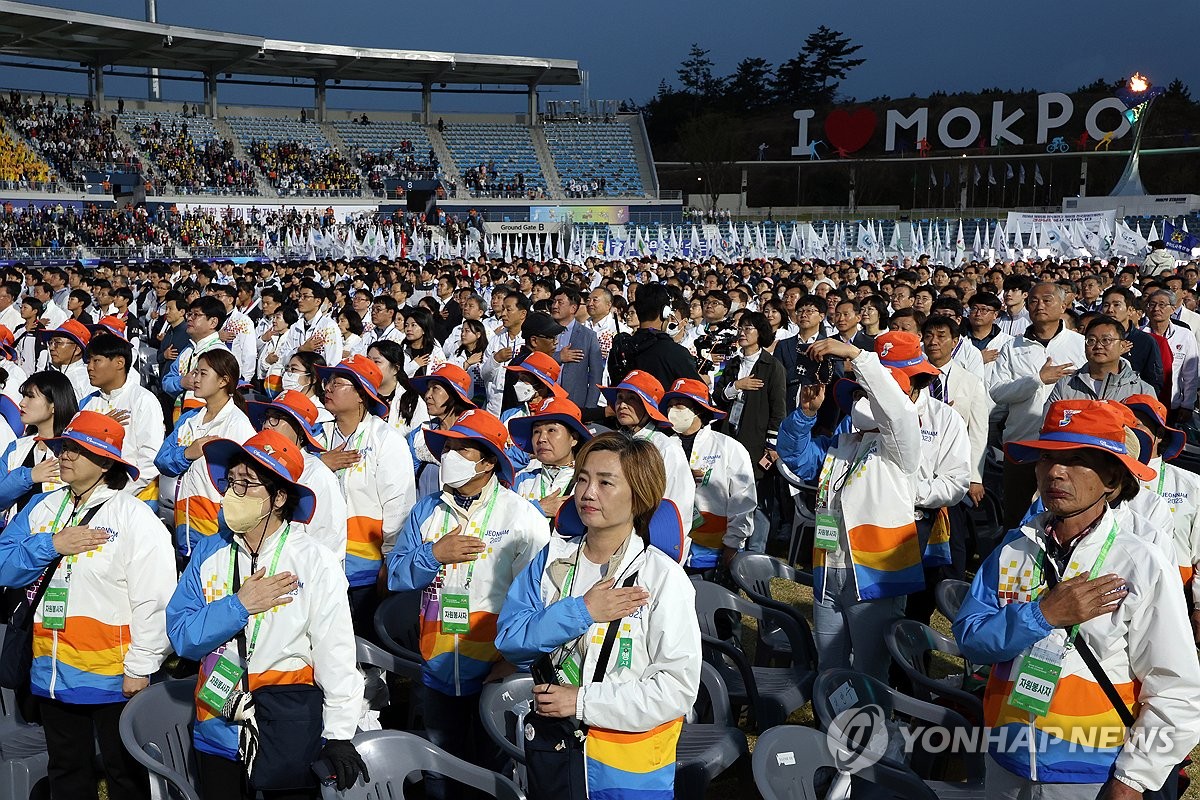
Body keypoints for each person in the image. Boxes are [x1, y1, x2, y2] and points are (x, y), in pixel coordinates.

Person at [953, 400, 1200, 800]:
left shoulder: (1141, 562)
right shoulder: (1014, 548)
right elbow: (969, 638)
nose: (1055, 472)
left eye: (1077, 460)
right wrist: (1041, 615)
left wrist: (1132, 781)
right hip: (1005, 765)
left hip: (1094, 777)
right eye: (1047, 458)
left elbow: (1177, 688)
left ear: (1113, 480)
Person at [495, 432, 701, 800]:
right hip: (554, 751)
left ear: (639, 496)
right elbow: (511, 640)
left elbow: (676, 689)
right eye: (583, 479)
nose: (588, 493)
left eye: (606, 483)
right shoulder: (550, 562)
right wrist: (582, 611)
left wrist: (582, 701)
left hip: (628, 770)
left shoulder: (662, 578)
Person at [166, 430, 369, 800]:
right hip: (217, 726)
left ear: (278, 498)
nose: (232, 494)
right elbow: (181, 635)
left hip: (287, 728)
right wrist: (238, 606)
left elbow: (335, 653)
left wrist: (339, 733)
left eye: (247, 484)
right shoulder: (210, 551)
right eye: (231, 482)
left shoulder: (314, 561)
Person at [0, 410, 175, 800]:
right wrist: (51, 545)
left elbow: (155, 598)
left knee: (125, 777)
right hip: (50, 675)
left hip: (116, 680)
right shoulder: (44, 508)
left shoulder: (133, 517)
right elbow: (2, 565)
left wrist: (142, 667)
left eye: (78, 450)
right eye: (65, 447)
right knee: (66, 771)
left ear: (106, 461)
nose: (65, 455)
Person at [387, 409, 550, 800]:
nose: (450, 455)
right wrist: (432, 555)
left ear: (489, 460)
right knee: (440, 763)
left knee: (491, 768)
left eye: (462, 449)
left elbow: (543, 598)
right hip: (437, 664)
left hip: (495, 670)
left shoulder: (522, 517)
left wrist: (515, 663)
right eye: (448, 447)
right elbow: (395, 575)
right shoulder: (427, 510)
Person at [774, 337, 922, 682]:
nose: (860, 402)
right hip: (829, 570)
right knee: (830, 666)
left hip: (873, 575)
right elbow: (796, 457)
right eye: (855, 396)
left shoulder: (899, 449)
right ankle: (832, 731)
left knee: (870, 671)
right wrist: (805, 413)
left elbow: (898, 413)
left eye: (866, 396)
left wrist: (858, 355)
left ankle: (872, 734)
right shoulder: (840, 447)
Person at [315, 354, 416, 633]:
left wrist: (390, 562)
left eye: (338, 382)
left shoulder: (385, 440)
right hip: (319, 566)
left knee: (363, 650)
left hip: (365, 572)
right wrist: (318, 464)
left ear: (361, 395)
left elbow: (399, 508)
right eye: (328, 381)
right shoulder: (316, 437)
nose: (328, 387)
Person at [989, 282, 1086, 528]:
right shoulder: (1013, 346)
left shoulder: (1080, 344)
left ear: (1064, 305)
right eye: (1033, 301)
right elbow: (998, 391)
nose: (1039, 305)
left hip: (1068, 444)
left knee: (1066, 512)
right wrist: (1037, 380)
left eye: (1047, 299)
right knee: (1016, 511)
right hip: (1022, 441)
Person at [155, 349, 256, 559]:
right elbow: (162, 460)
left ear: (223, 381)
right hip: (185, 524)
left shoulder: (237, 424)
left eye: (203, 373)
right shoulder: (189, 419)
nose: (195, 379)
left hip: (217, 531)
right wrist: (187, 453)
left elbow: (246, 483)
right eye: (195, 373)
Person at [659, 378, 756, 572]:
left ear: (699, 409)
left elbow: (743, 500)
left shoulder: (729, 448)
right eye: (669, 405)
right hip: (669, 552)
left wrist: (732, 545)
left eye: (679, 405)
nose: (672, 411)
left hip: (713, 554)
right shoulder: (662, 446)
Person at [1122, 394, 1200, 625]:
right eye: (1124, 424)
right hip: (1114, 595)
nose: (1130, 431)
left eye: (1138, 424)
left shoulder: (1191, 484)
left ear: (1160, 435)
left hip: (1176, 599)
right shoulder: (1100, 479)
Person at [247, 390, 348, 561]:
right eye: (267, 417)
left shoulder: (317, 474)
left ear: (300, 432)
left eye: (276, 418)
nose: (267, 425)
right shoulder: (255, 465)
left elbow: (330, 544)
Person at [600, 370, 696, 542]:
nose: (622, 405)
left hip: (647, 542)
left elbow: (678, 507)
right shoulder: (611, 442)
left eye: (632, 399)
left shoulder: (666, 448)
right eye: (620, 398)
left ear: (649, 407)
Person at [80, 332, 165, 503]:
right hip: (92, 496)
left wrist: (117, 494)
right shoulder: (87, 403)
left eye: (96, 361)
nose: (89, 367)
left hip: (137, 497)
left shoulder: (143, 400)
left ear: (120, 362)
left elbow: (150, 459)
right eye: (88, 361)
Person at [0, 371, 75, 524]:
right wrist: (29, 476)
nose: (22, 403)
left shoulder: (76, 452)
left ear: (54, 404)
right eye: (23, 396)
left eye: (31, 396)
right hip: (14, 544)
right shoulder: (16, 448)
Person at [509, 396, 592, 518]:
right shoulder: (519, 480)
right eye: (536, 432)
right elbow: (498, 523)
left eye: (552, 430)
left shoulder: (590, 482)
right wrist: (538, 508)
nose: (541, 439)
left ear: (574, 439)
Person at [1046, 315, 1156, 405]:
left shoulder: (1142, 390)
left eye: (1106, 340)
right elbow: (1049, 427)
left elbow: (1147, 430)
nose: (1098, 346)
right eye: (1091, 340)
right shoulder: (1065, 386)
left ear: (1122, 346)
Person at [163, 296, 228, 422]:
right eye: (189, 314)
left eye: (196, 315)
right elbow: (166, 381)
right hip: (181, 419)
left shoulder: (219, 353)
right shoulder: (187, 350)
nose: (189, 318)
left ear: (213, 322)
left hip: (205, 421)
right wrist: (182, 382)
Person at [548, 285, 602, 409]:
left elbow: (596, 375)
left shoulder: (588, 336)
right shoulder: (544, 332)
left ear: (573, 308)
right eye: (554, 302)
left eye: (560, 303)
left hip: (574, 403)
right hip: (546, 399)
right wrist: (558, 357)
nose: (555, 306)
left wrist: (589, 409)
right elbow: (535, 360)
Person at [366, 339, 427, 434]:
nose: (369, 366)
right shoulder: (359, 394)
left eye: (377, 362)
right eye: (368, 360)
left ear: (395, 369)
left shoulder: (412, 401)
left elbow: (420, 440)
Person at [37, 319, 92, 401]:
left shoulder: (85, 379)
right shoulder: (55, 373)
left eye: (57, 343)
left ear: (77, 349)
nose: (51, 348)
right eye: (50, 342)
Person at [402, 305, 446, 379]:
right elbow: (395, 376)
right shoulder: (402, 349)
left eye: (413, 325)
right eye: (406, 325)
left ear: (424, 329)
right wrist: (414, 365)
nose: (408, 329)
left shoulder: (434, 350)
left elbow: (442, 372)